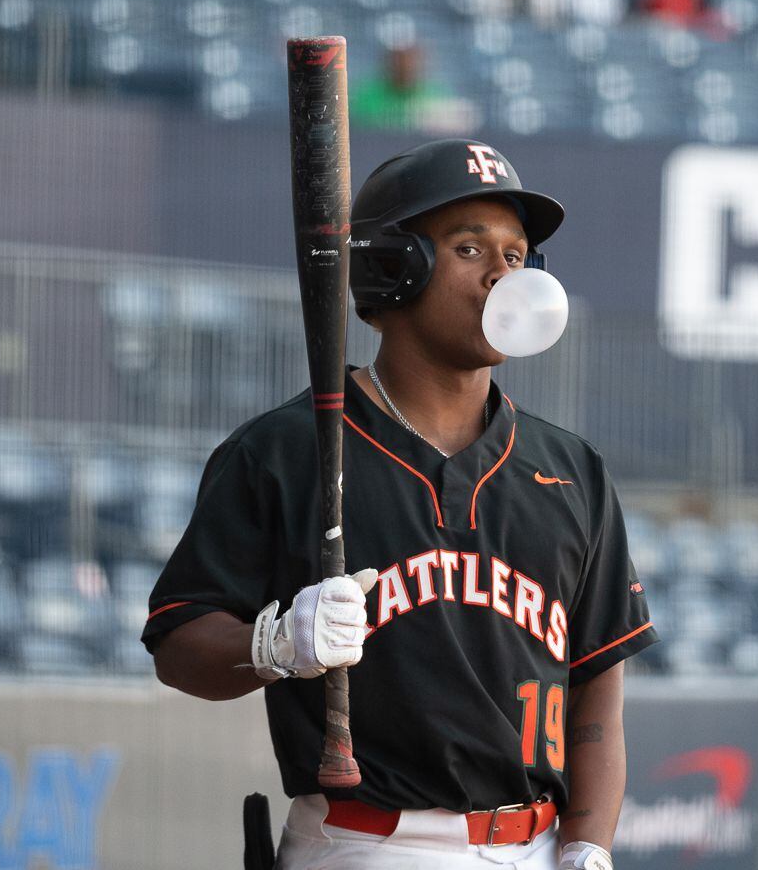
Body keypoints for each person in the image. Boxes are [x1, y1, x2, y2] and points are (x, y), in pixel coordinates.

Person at [144, 139, 657, 870]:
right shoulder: (290, 449)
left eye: (516, 255)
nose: (503, 275)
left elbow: (598, 693)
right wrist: (275, 644)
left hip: (540, 847)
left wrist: (588, 846)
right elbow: (179, 643)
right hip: (366, 842)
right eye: (471, 247)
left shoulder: (572, 470)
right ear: (395, 266)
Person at [349, 44, 478, 134]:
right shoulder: (366, 94)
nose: (404, 65)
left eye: (409, 59)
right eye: (398, 59)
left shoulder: (435, 94)